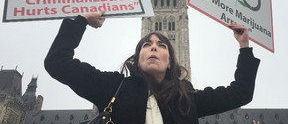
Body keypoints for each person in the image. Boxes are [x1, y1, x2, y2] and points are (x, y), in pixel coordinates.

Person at [44, 11, 260, 124]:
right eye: (146, 45)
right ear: (137, 59)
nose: (153, 48)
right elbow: (57, 62)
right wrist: (81, 20)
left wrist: (244, 45)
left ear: (170, 60)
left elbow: (241, 93)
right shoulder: (114, 87)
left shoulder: (187, 98)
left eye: (161, 45)